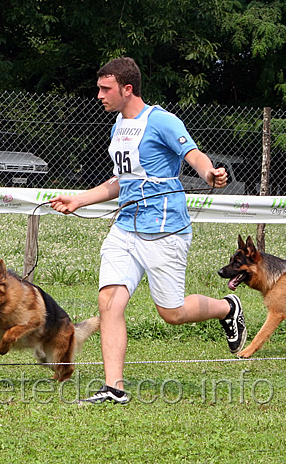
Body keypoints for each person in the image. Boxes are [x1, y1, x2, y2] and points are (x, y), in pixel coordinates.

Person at [49, 57, 246, 405]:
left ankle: (227, 308)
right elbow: (120, 182)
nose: (99, 95)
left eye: (105, 88)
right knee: (109, 302)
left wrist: (209, 173)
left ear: (127, 89)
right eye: (99, 88)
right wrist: (79, 200)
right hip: (125, 229)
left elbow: (194, 155)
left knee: (172, 313)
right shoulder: (117, 127)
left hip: (165, 231)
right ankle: (114, 388)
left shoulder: (161, 121)